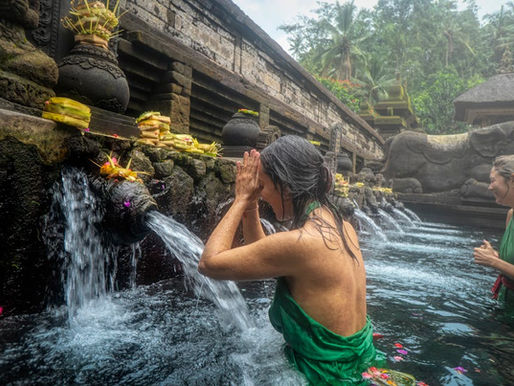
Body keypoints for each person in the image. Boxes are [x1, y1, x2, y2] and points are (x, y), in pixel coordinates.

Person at [198, 135, 379, 384]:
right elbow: (263, 253)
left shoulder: (303, 242)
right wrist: (251, 207)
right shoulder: (344, 227)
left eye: (262, 186)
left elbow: (209, 263)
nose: (260, 194)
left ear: (286, 187)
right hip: (364, 365)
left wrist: (240, 199)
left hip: (326, 377)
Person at [474, 155, 514, 309]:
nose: (490, 187)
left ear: (512, 180)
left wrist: (493, 261)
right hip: (505, 301)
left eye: (492, 180)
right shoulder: (511, 215)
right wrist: (495, 256)